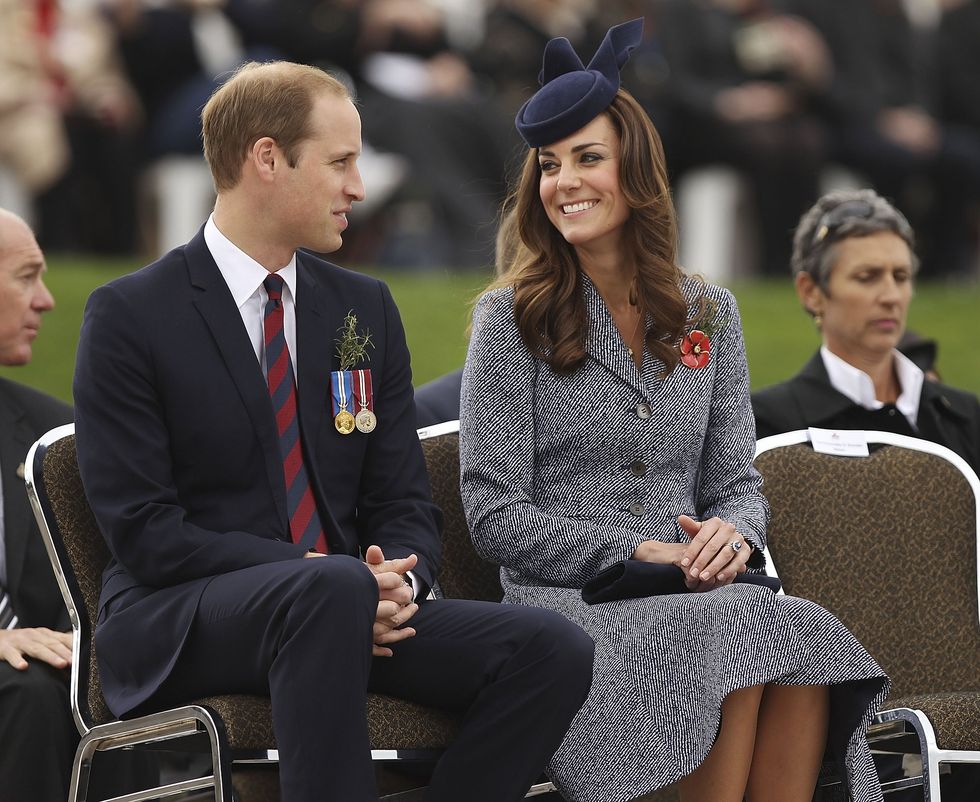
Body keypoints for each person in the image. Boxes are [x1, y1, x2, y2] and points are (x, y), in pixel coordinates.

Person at [72, 60, 593, 802]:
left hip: (345, 604)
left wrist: (397, 582)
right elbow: (147, 533)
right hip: (183, 618)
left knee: (552, 649)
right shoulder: (130, 315)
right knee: (326, 591)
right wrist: (331, 579)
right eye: (341, 162)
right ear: (267, 159)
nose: (358, 186)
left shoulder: (363, 308)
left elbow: (403, 500)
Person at [459, 20, 890, 802]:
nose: (565, 182)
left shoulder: (709, 313)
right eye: (550, 166)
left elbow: (735, 482)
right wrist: (640, 551)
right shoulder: (508, 319)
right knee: (734, 629)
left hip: (700, 595)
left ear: (635, 172)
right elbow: (493, 516)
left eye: (588, 159)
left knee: (804, 633)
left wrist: (735, 536)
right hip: (572, 605)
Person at [752, 188, 980, 475]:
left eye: (901, 276)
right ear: (811, 292)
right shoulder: (768, 424)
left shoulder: (963, 415)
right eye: (867, 277)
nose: (891, 296)